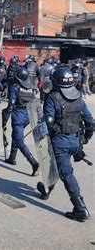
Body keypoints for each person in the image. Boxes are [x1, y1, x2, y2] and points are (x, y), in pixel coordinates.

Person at [42, 67, 93, 221]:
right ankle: (46, 190)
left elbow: (48, 121)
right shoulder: (78, 97)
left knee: (66, 173)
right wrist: (84, 140)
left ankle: (80, 208)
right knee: (55, 166)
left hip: (60, 143)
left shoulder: (52, 97)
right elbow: (90, 122)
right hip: (75, 141)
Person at [2, 67, 40, 176]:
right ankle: (12, 158)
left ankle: (34, 163)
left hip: (18, 115)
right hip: (28, 115)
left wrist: (5, 117)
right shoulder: (32, 87)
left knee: (19, 141)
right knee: (16, 135)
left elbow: (11, 105)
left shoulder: (15, 87)